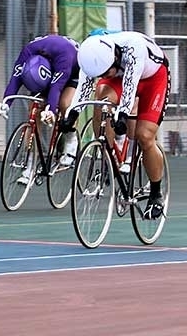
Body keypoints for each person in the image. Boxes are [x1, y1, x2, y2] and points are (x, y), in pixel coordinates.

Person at [68, 31, 170, 220]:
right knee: (101, 99)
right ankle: (107, 153)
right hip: (120, 76)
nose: (103, 75)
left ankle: (156, 194)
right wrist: (71, 114)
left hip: (153, 79)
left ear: (115, 58)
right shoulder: (91, 57)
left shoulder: (133, 50)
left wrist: (122, 116)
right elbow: (83, 88)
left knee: (144, 137)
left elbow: (130, 87)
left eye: (106, 72)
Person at [0, 34, 81, 175]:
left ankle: (71, 140)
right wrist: (6, 103)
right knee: (34, 109)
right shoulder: (27, 53)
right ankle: (30, 164)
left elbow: (56, 87)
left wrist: (51, 110)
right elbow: (15, 79)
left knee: (65, 104)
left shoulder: (64, 57)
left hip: (73, 70)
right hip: (49, 67)